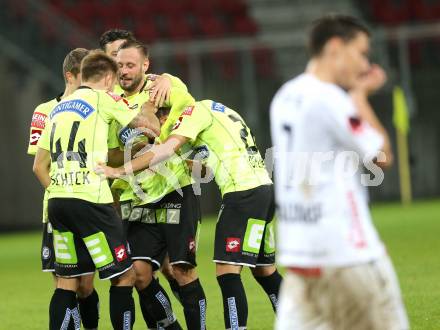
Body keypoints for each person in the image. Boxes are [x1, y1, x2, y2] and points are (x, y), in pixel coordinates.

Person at [270, 14, 409, 330]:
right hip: (347, 257)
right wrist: (359, 97)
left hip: (300, 256)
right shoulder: (330, 98)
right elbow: (382, 155)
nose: (365, 66)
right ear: (335, 47)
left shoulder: (285, 95)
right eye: (361, 53)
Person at [96, 99, 283, 330]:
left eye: (161, 122)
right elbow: (209, 167)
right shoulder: (222, 110)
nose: (161, 130)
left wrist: (118, 171)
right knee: (265, 271)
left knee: (227, 272)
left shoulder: (194, 112)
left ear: (167, 116)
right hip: (263, 188)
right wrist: (182, 163)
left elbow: (165, 149)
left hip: (241, 194)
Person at [32, 50, 160, 330]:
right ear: (108, 76)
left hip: (57, 201)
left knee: (66, 282)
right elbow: (147, 126)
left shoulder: (57, 108)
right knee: (123, 277)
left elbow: (39, 165)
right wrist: (149, 107)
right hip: (92, 200)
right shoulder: (104, 99)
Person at [109, 39, 206, 330]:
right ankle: (172, 327)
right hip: (138, 199)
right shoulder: (110, 102)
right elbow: (112, 149)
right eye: (119, 65)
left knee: (182, 270)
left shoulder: (166, 90)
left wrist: (165, 85)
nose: (124, 71)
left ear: (145, 66)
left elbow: (185, 124)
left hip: (174, 191)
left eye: (130, 65)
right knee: (139, 275)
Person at [28, 47, 100, 330]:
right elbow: (40, 164)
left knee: (85, 285)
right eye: (87, 73)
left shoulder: (98, 106)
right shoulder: (44, 111)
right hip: (59, 209)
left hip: (90, 205)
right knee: (64, 281)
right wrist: (62, 193)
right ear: (70, 75)